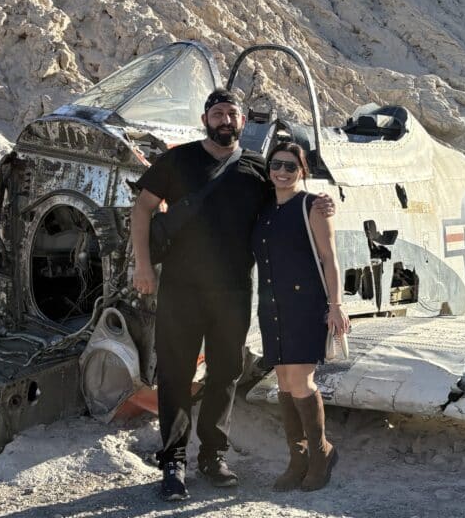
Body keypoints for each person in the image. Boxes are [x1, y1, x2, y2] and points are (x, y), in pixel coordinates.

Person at [130, 89, 332, 501]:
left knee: (225, 374)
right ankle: (172, 461)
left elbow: (286, 199)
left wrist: (321, 201)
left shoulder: (258, 169)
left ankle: (212, 455)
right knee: (175, 375)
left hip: (234, 291)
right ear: (205, 118)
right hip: (181, 290)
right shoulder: (179, 159)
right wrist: (143, 265)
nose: (225, 120)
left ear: (242, 122)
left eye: (232, 114)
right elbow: (142, 208)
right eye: (217, 113)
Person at [251, 141, 349, 492]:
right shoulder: (263, 208)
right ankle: (298, 458)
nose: (282, 171)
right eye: (276, 165)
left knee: (301, 382)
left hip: (305, 304)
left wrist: (335, 305)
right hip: (272, 305)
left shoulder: (312, 206)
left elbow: (329, 259)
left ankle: (321, 454)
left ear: (302, 172)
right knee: (283, 383)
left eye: (291, 167)